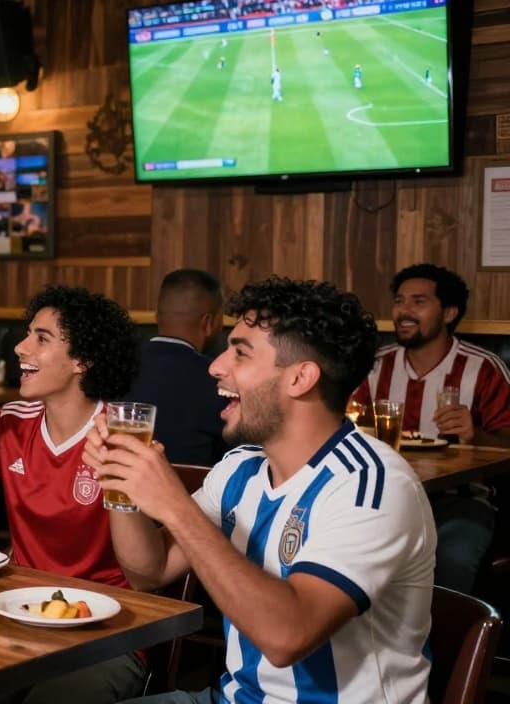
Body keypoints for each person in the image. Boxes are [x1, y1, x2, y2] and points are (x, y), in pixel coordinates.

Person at [86, 277, 435, 704]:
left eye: (240, 353)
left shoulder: (372, 485)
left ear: (300, 378)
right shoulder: (240, 468)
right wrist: (119, 482)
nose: (216, 366)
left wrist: (175, 505)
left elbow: (288, 636)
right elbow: (148, 572)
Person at [0, 286, 144, 703]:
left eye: (41, 338)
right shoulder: (10, 422)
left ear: (82, 360)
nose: (20, 347)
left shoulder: (121, 433)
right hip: (17, 615)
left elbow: (148, 566)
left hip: (106, 631)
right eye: (26, 334)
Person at [352, 263, 509, 593]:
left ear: (449, 313)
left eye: (418, 302)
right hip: (383, 497)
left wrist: (475, 435)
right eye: (399, 301)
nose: (404, 311)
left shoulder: (482, 367)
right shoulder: (375, 366)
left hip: (460, 501)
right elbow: (347, 427)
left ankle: (453, 646)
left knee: (451, 560)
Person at [124, 269, 228, 466]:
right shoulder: (221, 381)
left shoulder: (114, 368)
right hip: (195, 494)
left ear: (157, 317)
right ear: (208, 322)